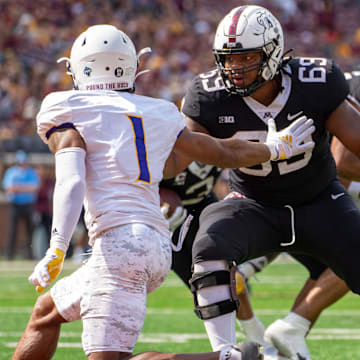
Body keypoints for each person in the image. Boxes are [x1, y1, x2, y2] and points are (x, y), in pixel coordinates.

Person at [11, 24, 314, 360]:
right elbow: (220, 151)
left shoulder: (65, 106)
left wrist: (57, 246)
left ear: (78, 67)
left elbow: (70, 179)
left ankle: (229, 358)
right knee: (45, 315)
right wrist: (274, 147)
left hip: (119, 248)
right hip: (156, 242)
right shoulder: (157, 110)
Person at [181, 5, 360, 360]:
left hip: (321, 201)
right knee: (208, 248)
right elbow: (189, 151)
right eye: (228, 58)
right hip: (252, 203)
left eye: (247, 56)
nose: (236, 67)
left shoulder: (316, 81)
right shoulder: (207, 95)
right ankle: (226, 355)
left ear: (274, 51)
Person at [2, 150, 40, 259]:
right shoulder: (11, 172)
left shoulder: (31, 172)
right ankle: (10, 256)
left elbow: (35, 188)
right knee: (12, 231)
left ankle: (30, 255)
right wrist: (26, 188)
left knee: (30, 231)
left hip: (28, 205)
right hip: (15, 205)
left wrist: (18, 188)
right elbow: (9, 188)